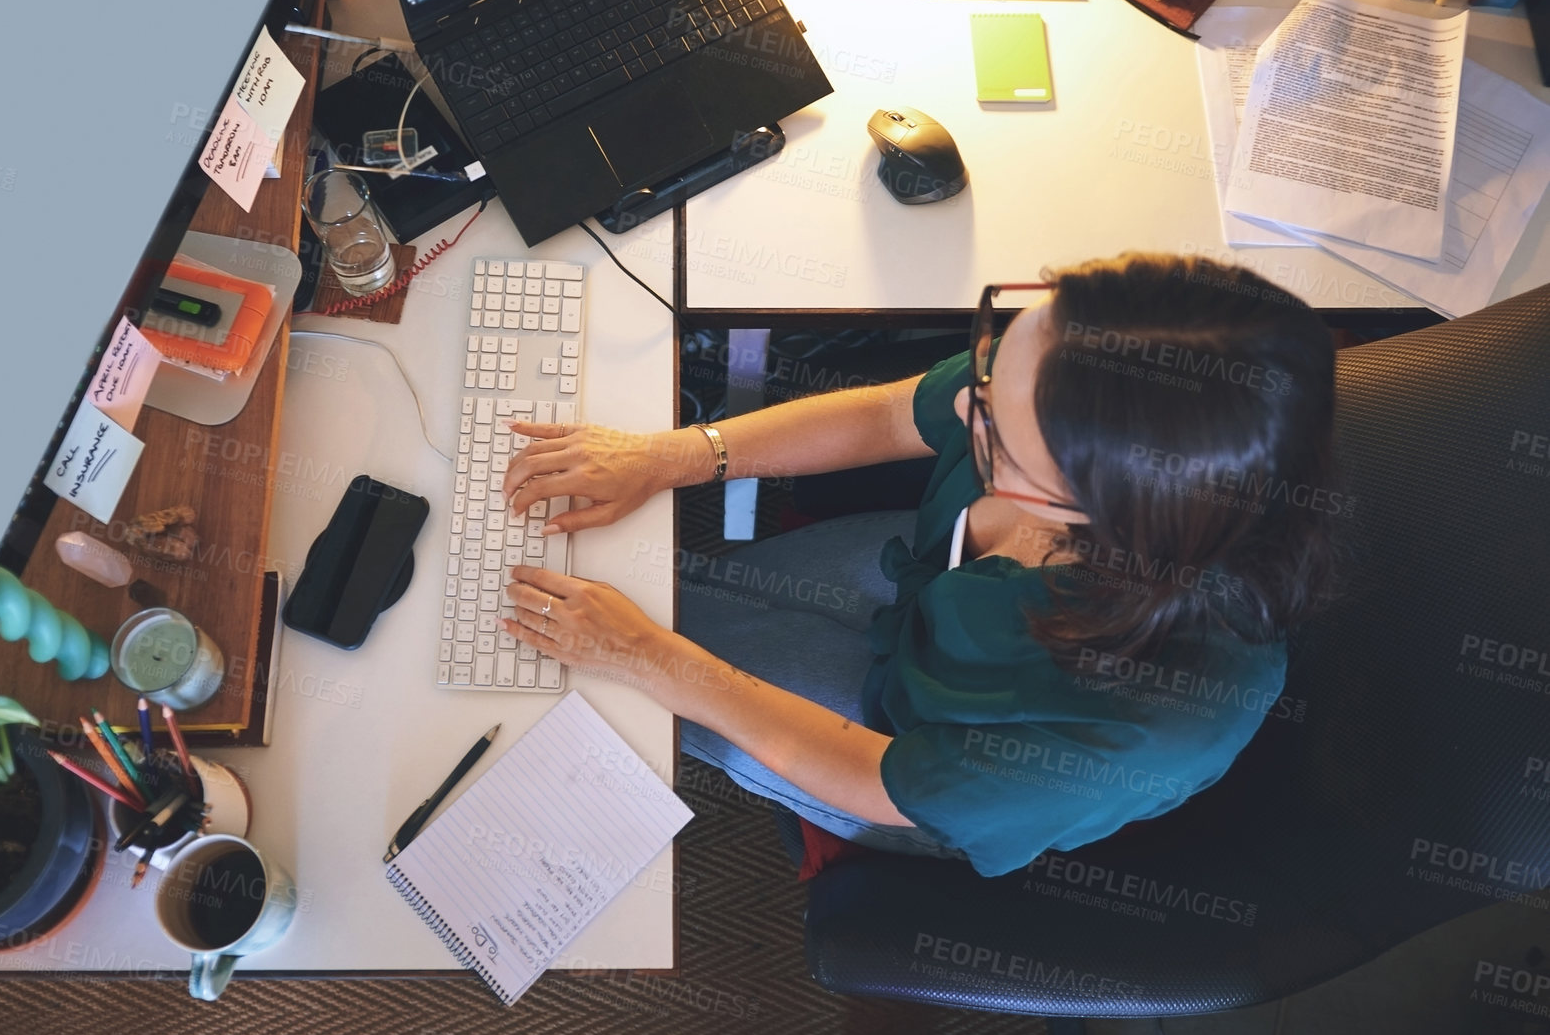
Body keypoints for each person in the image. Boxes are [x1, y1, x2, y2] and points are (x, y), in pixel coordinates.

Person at [496, 253, 1340, 876]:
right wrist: (670, 456)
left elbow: (873, 777)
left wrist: (644, 655)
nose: (964, 405)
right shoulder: (1080, 390)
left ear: (1102, 509)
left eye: (994, 434)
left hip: (902, 748)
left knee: (620, 669)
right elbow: (889, 415)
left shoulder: (1137, 726)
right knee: (671, 601)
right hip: (934, 585)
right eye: (993, 359)